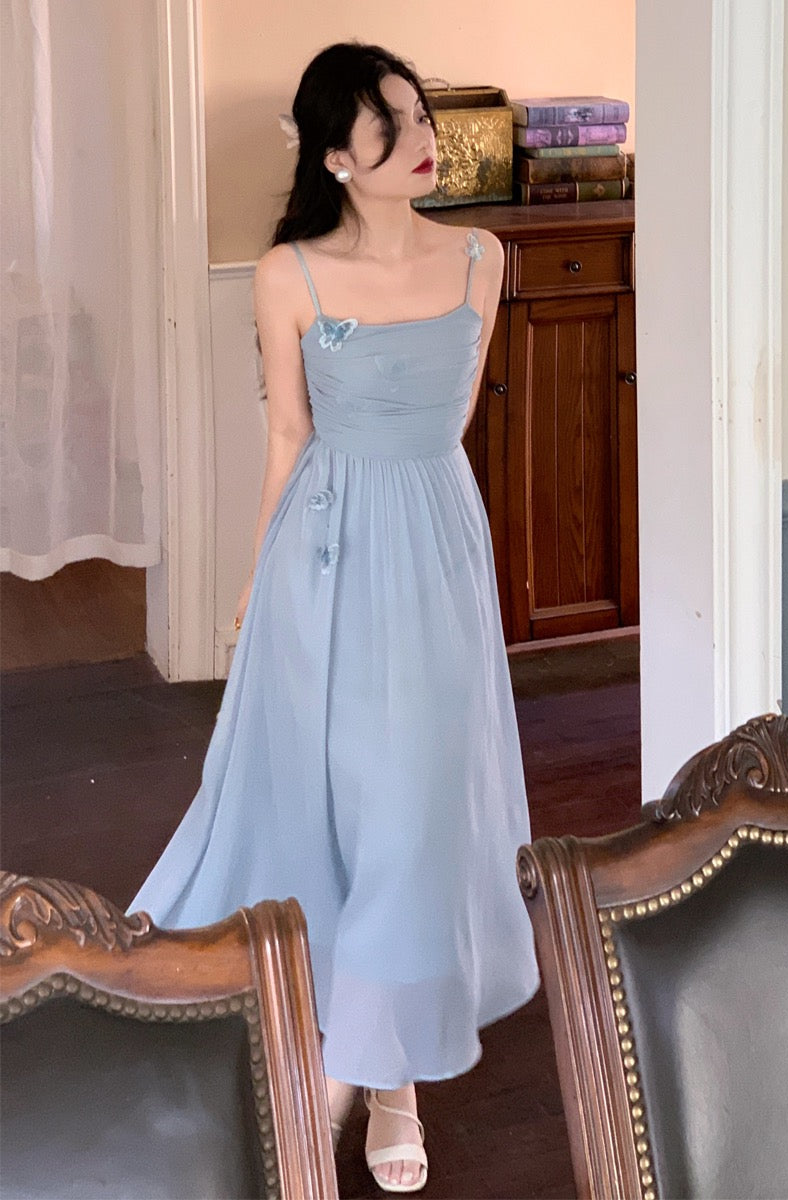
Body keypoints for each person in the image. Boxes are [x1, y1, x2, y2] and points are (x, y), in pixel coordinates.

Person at [129, 41, 539, 1194]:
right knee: (339, 804)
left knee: (417, 805)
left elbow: (451, 421)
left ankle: (375, 1076)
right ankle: (360, 1053)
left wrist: (417, 511)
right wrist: (259, 576)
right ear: (334, 158)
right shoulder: (287, 274)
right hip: (325, 549)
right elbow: (288, 437)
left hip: (437, 549)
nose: (422, 141)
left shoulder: (482, 257)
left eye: (421, 116)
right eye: (388, 125)